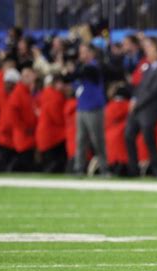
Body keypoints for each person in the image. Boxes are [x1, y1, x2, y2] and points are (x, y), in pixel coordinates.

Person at [125, 37, 157, 177]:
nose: (148, 52)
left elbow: (154, 91)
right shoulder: (146, 67)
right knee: (128, 136)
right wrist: (134, 99)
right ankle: (133, 169)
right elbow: (139, 86)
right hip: (138, 108)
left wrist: (137, 102)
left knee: (149, 140)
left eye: (151, 49)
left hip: (149, 109)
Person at [74, 43, 109, 176]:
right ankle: (78, 168)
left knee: (98, 140)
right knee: (80, 140)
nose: (81, 55)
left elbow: (83, 73)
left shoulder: (94, 66)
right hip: (82, 107)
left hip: (94, 108)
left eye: (84, 52)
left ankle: (104, 168)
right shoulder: (82, 67)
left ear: (91, 53)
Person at [36, 75, 67, 173]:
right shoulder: (56, 97)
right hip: (53, 135)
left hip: (44, 133)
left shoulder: (44, 94)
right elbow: (57, 118)